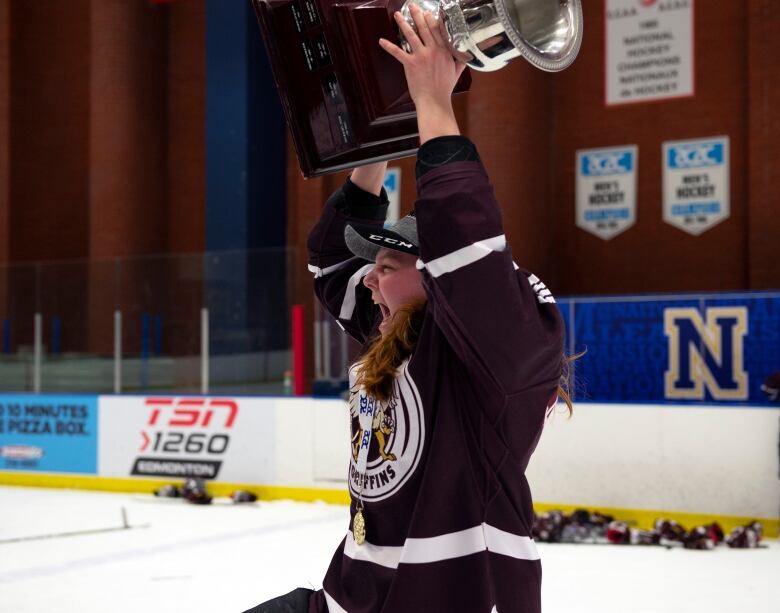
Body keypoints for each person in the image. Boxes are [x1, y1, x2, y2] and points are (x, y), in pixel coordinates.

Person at [244, 6, 569, 612]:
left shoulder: (491, 363)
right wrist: (376, 145)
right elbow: (331, 266)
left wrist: (435, 106)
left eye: (389, 267)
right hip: (350, 599)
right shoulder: (398, 336)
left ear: (435, 276)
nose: (371, 279)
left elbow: (471, 257)